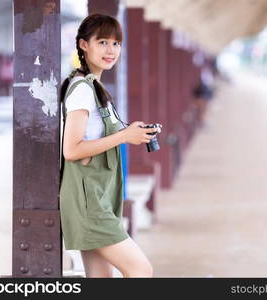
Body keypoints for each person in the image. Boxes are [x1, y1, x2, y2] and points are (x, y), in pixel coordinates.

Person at [59, 13, 160, 278]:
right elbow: (71, 149)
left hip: (97, 197)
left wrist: (130, 131)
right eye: (102, 42)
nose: (111, 50)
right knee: (140, 269)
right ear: (83, 45)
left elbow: (95, 138)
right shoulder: (82, 89)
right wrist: (124, 136)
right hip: (88, 201)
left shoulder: (95, 86)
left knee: (101, 279)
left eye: (116, 44)